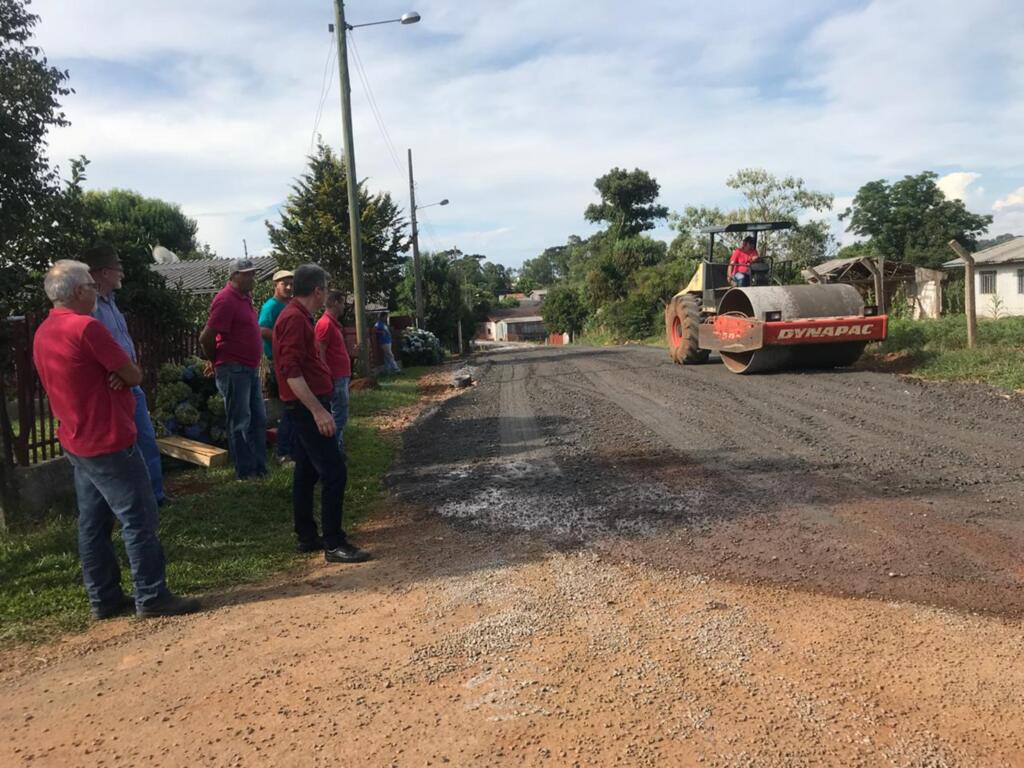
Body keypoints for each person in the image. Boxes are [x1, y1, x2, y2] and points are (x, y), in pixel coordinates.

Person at [33, 260, 199, 619]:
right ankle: (152, 595)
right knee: (139, 517)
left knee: (93, 524)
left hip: (77, 439)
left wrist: (118, 375)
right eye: (92, 286)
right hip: (108, 438)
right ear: (78, 291)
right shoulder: (86, 328)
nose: (96, 292)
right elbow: (133, 373)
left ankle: (104, 598)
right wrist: (122, 375)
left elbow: (108, 374)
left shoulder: (45, 330)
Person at [273, 264, 370, 563]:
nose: (327, 293)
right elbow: (290, 371)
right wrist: (318, 411)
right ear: (317, 291)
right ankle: (334, 542)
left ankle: (306, 535)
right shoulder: (294, 320)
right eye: (325, 289)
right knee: (334, 471)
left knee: (306, 471)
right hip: (307, 407)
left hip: (308, 404)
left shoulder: (300, 317)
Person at [82, 243, 169, 506]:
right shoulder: (90, 306)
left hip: (131, 383)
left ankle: (155, 496)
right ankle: (131, 501)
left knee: (146, 440)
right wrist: (116, 372)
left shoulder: (111, 302)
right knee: (121, 449)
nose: (122, 272)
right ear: (103, 272)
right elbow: (89, 347)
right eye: (117, 267)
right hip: (113, 387)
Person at [199, 258, 266, 479]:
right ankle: (245, 472)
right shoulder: (225, 300)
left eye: (253, 273)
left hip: (248, 368)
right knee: (240, 421)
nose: (252, 277)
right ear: (234, 276)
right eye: (246, 274)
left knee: (257, 418)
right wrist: (215, 360)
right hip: (234, 369)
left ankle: (258, 467)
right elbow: (206, 337)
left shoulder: (245, 299)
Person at [258, 269, 295, 464]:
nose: (289, 287)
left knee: (295, 406)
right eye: (284, 284)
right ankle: (283, 451)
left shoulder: (290, 304)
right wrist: (283, 342)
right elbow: (263, 329)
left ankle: (293, 447)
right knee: (289, 406)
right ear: (275, 286)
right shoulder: (270, 307)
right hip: (278, 362)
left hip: (291, 361)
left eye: (291, 284)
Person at [314, 290, 352, 450]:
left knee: (340, 413)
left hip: (341, 375)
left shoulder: (333, 323)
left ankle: (338, 447)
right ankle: (333, 449)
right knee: (339, 415)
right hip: (335, 376)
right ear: (335, 302)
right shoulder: (325, 324)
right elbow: (320, 350)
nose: (344, 306)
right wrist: (325, 374)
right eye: (343, 302)